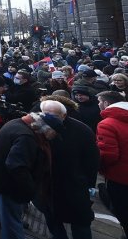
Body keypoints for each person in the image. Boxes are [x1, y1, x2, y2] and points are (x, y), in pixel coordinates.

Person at [0, 111, 64, 239]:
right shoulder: (26, 137)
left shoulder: (17, 123)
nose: (52, 138)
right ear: (46, 129)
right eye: (53, 134)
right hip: (10, 187)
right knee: (10, 222)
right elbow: (16, 166)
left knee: (6, 217)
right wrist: (30, 188)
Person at [38, 100, 99, 239]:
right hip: (49, 183)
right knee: (52, 217)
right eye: (45, 114)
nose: (48, 118)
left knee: (80, 221)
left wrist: (88, 183)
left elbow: (92, 160)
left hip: (74, 183)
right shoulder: (39, 126)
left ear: (64, 115)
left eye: (53, 115)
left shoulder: (82, 130)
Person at [96, 91, 128, 237]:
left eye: (99, 101)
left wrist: (99, 167)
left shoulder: (107, 123)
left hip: (119, 177)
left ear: (106, 103)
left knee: (122, 210)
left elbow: (109, 155)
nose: (98, 104)